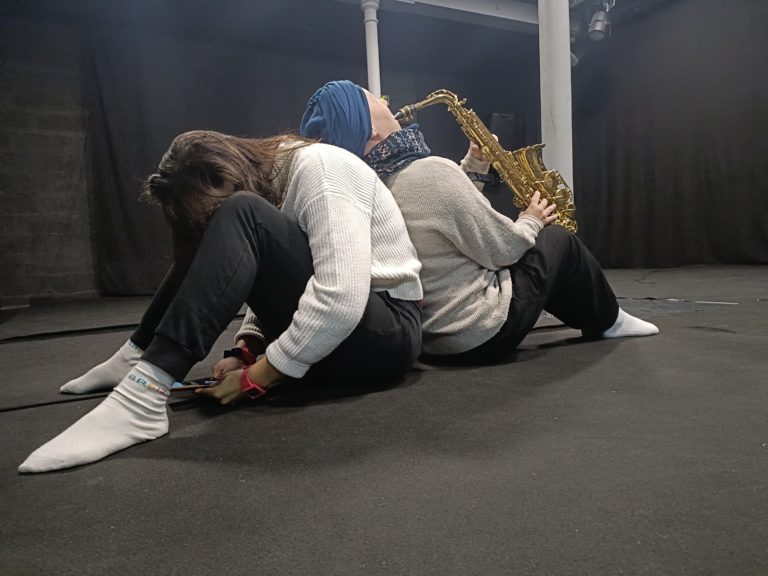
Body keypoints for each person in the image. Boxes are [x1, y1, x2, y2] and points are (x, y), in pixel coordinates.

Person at [18, 129, 423, 473]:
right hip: (346, 336)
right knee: (220, 226)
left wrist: (258, 376)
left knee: (242, 211)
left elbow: (342, 296)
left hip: (385, 337)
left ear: (227, 171)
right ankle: (136, 353)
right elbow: (282, 274)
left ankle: (143, 398)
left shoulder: (323, 170)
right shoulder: (268, 182)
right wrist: (249, 345)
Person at [298, 80, 658, 364]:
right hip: (480, 332)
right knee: (559, 243)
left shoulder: (370, 187)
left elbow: (443, 215)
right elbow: (503, 250)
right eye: (373, 100)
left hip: (434, 340)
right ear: (371, 132)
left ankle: (591, 315)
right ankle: (610, 320)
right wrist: (531, 220)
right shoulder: (429, 172)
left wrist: (473, 165)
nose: (385, 101)